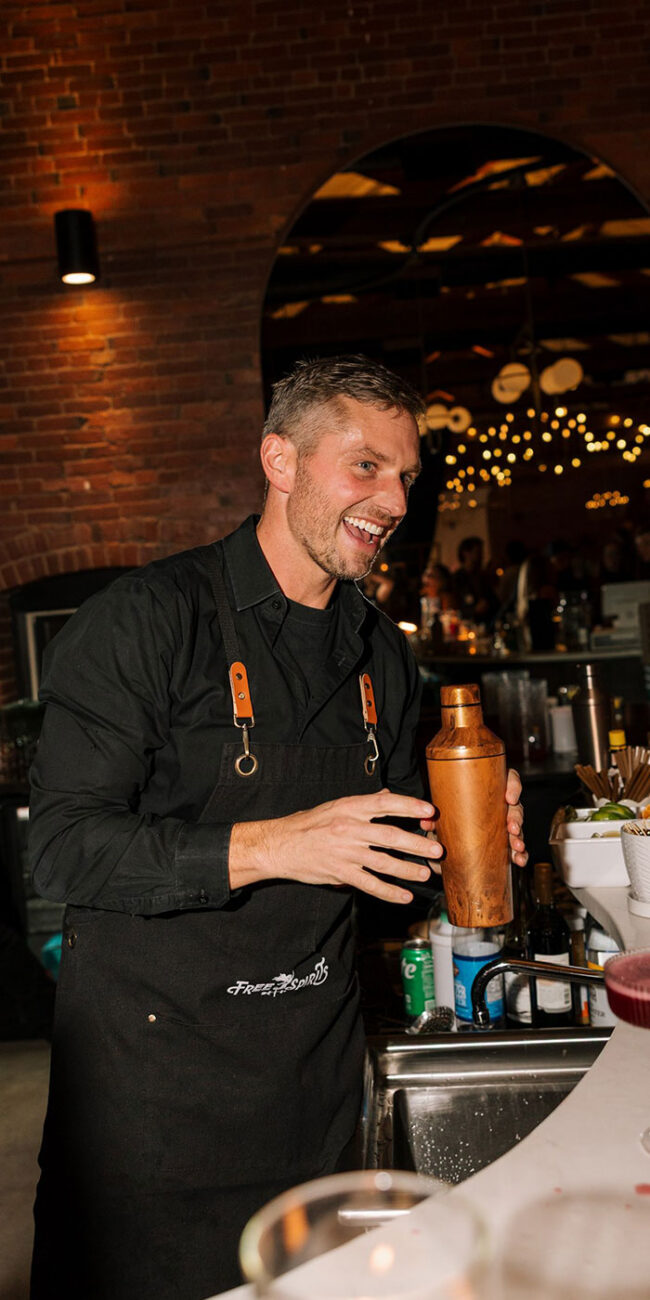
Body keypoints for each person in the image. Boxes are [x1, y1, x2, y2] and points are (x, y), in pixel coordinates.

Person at [28, 355, 526, 1300]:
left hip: (315, 1099)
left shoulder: (380, 651)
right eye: (365, 466)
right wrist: (274, 842)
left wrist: (458, 851)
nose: (394, 499)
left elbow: (378, 884)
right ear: (281, 461)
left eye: (407, 476)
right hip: (153, 1122)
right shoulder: (146, 620)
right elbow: (60, 845)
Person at [450, 536, 498, 625]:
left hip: (486, 624)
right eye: (477, 552)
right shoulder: (457, 578)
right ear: (466, 553)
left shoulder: (483, 576)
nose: (481, 556)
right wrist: (473, 610)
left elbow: (494, 601)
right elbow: (454, 607)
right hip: (468, 625)